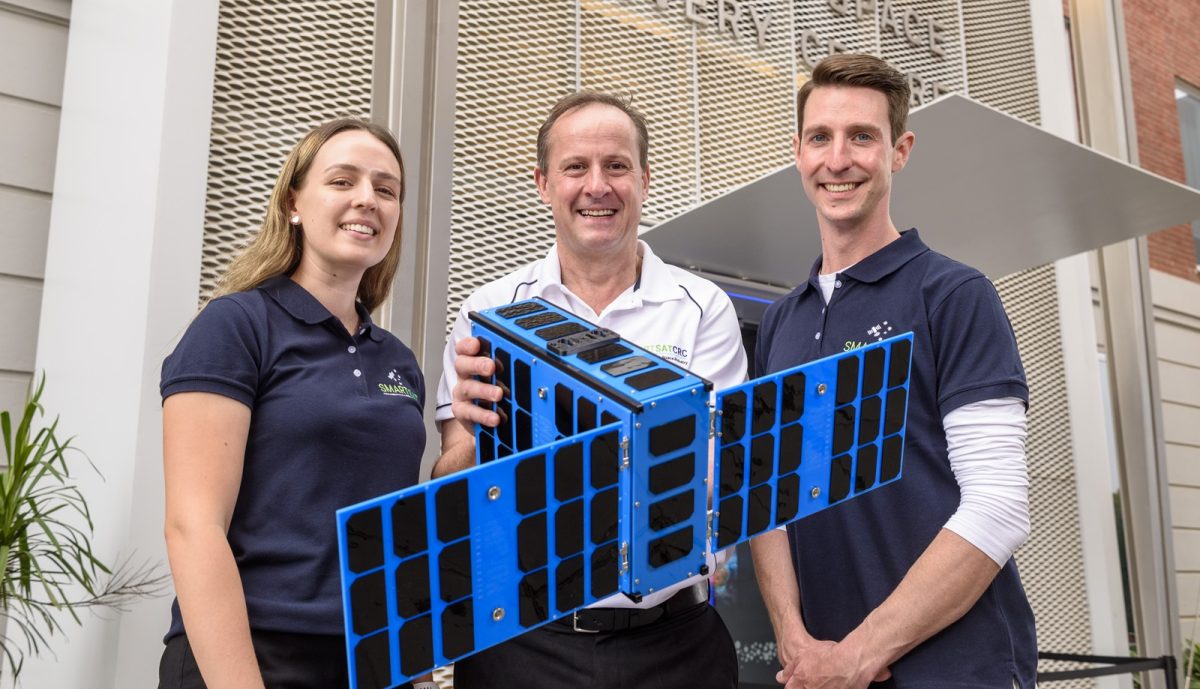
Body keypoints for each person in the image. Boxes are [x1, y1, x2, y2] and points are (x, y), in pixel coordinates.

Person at [434, 92, 748, 689]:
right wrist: (474, 438)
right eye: (576, 167)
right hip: (519, 645)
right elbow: (450, 496)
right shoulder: (489, 311)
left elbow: (722, 479)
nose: (597, 186)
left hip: (675, 645)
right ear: (543, 183)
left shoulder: (703, 308)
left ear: (645, 180)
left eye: (617, 166)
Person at [750, 54, 1037, 688]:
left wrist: (859, 653)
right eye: (820, 137)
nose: (838, 158)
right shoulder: (781, 322)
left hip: (956, 669)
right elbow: (765, 495)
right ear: (797, 152)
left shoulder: (954, 295)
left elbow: (998, 507)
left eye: (862, 137)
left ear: (899, 150)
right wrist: (794, 639)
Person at [158, 119, 438, 689]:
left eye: (386, 190)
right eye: (342, 181)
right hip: (254, 653)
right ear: (293, 203)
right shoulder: (236, 326)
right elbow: (193, 527)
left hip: (374, 658)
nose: (368, 199)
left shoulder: (399, 362)